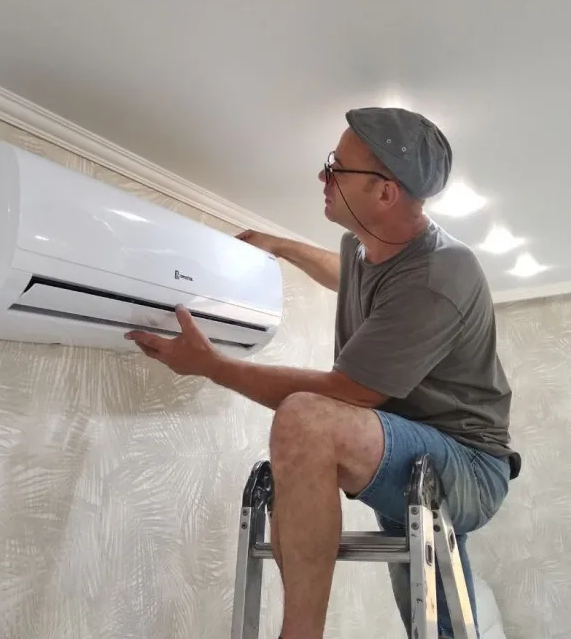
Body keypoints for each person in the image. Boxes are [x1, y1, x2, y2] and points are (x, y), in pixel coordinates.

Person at [125, 107, 521, 639]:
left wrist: (212, 366)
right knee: (434, 620)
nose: (322, 175)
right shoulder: (365, 247)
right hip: (405, 442)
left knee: (307, 419)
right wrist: (284, 247)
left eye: (336, 166)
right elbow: (349, 273)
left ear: (385, 192)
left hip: (468, 462)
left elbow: (348, 392)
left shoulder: (439, 274)